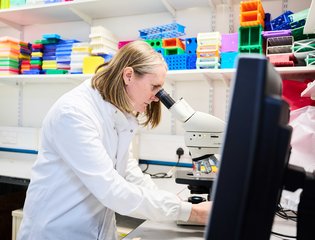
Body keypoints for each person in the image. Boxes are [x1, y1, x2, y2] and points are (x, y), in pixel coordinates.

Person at [17, 40, 211, 240]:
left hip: (97, 230)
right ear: (128, 75)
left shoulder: (119, 112)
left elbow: (128, 171)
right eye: (154, 87)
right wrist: (191, 212)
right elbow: (111, 189)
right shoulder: (74, 113)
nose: (157, 97)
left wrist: (172, 203)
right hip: (59, 231)